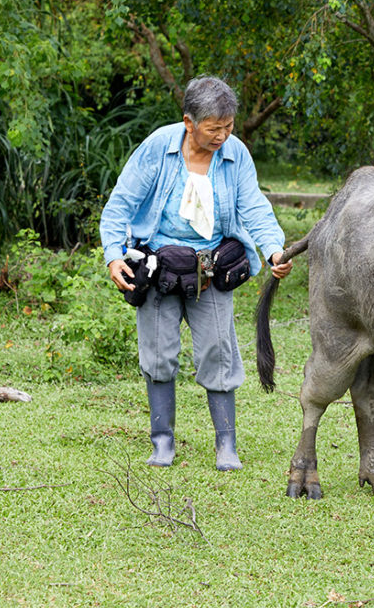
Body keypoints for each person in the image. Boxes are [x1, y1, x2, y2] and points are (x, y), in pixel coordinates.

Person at [100, 76, 293, 471]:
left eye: (229, 125)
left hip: (212, 268)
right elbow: (121, 202)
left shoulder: (236, 154)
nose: (223, 135)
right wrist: (112, 254)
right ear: (189, 122)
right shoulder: (159, 146)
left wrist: (275, 248)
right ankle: (162, 443)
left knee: (219, 354)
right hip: (159, 267)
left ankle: (226, 446)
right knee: (158, 356)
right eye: (213, 128)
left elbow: (254, 206)